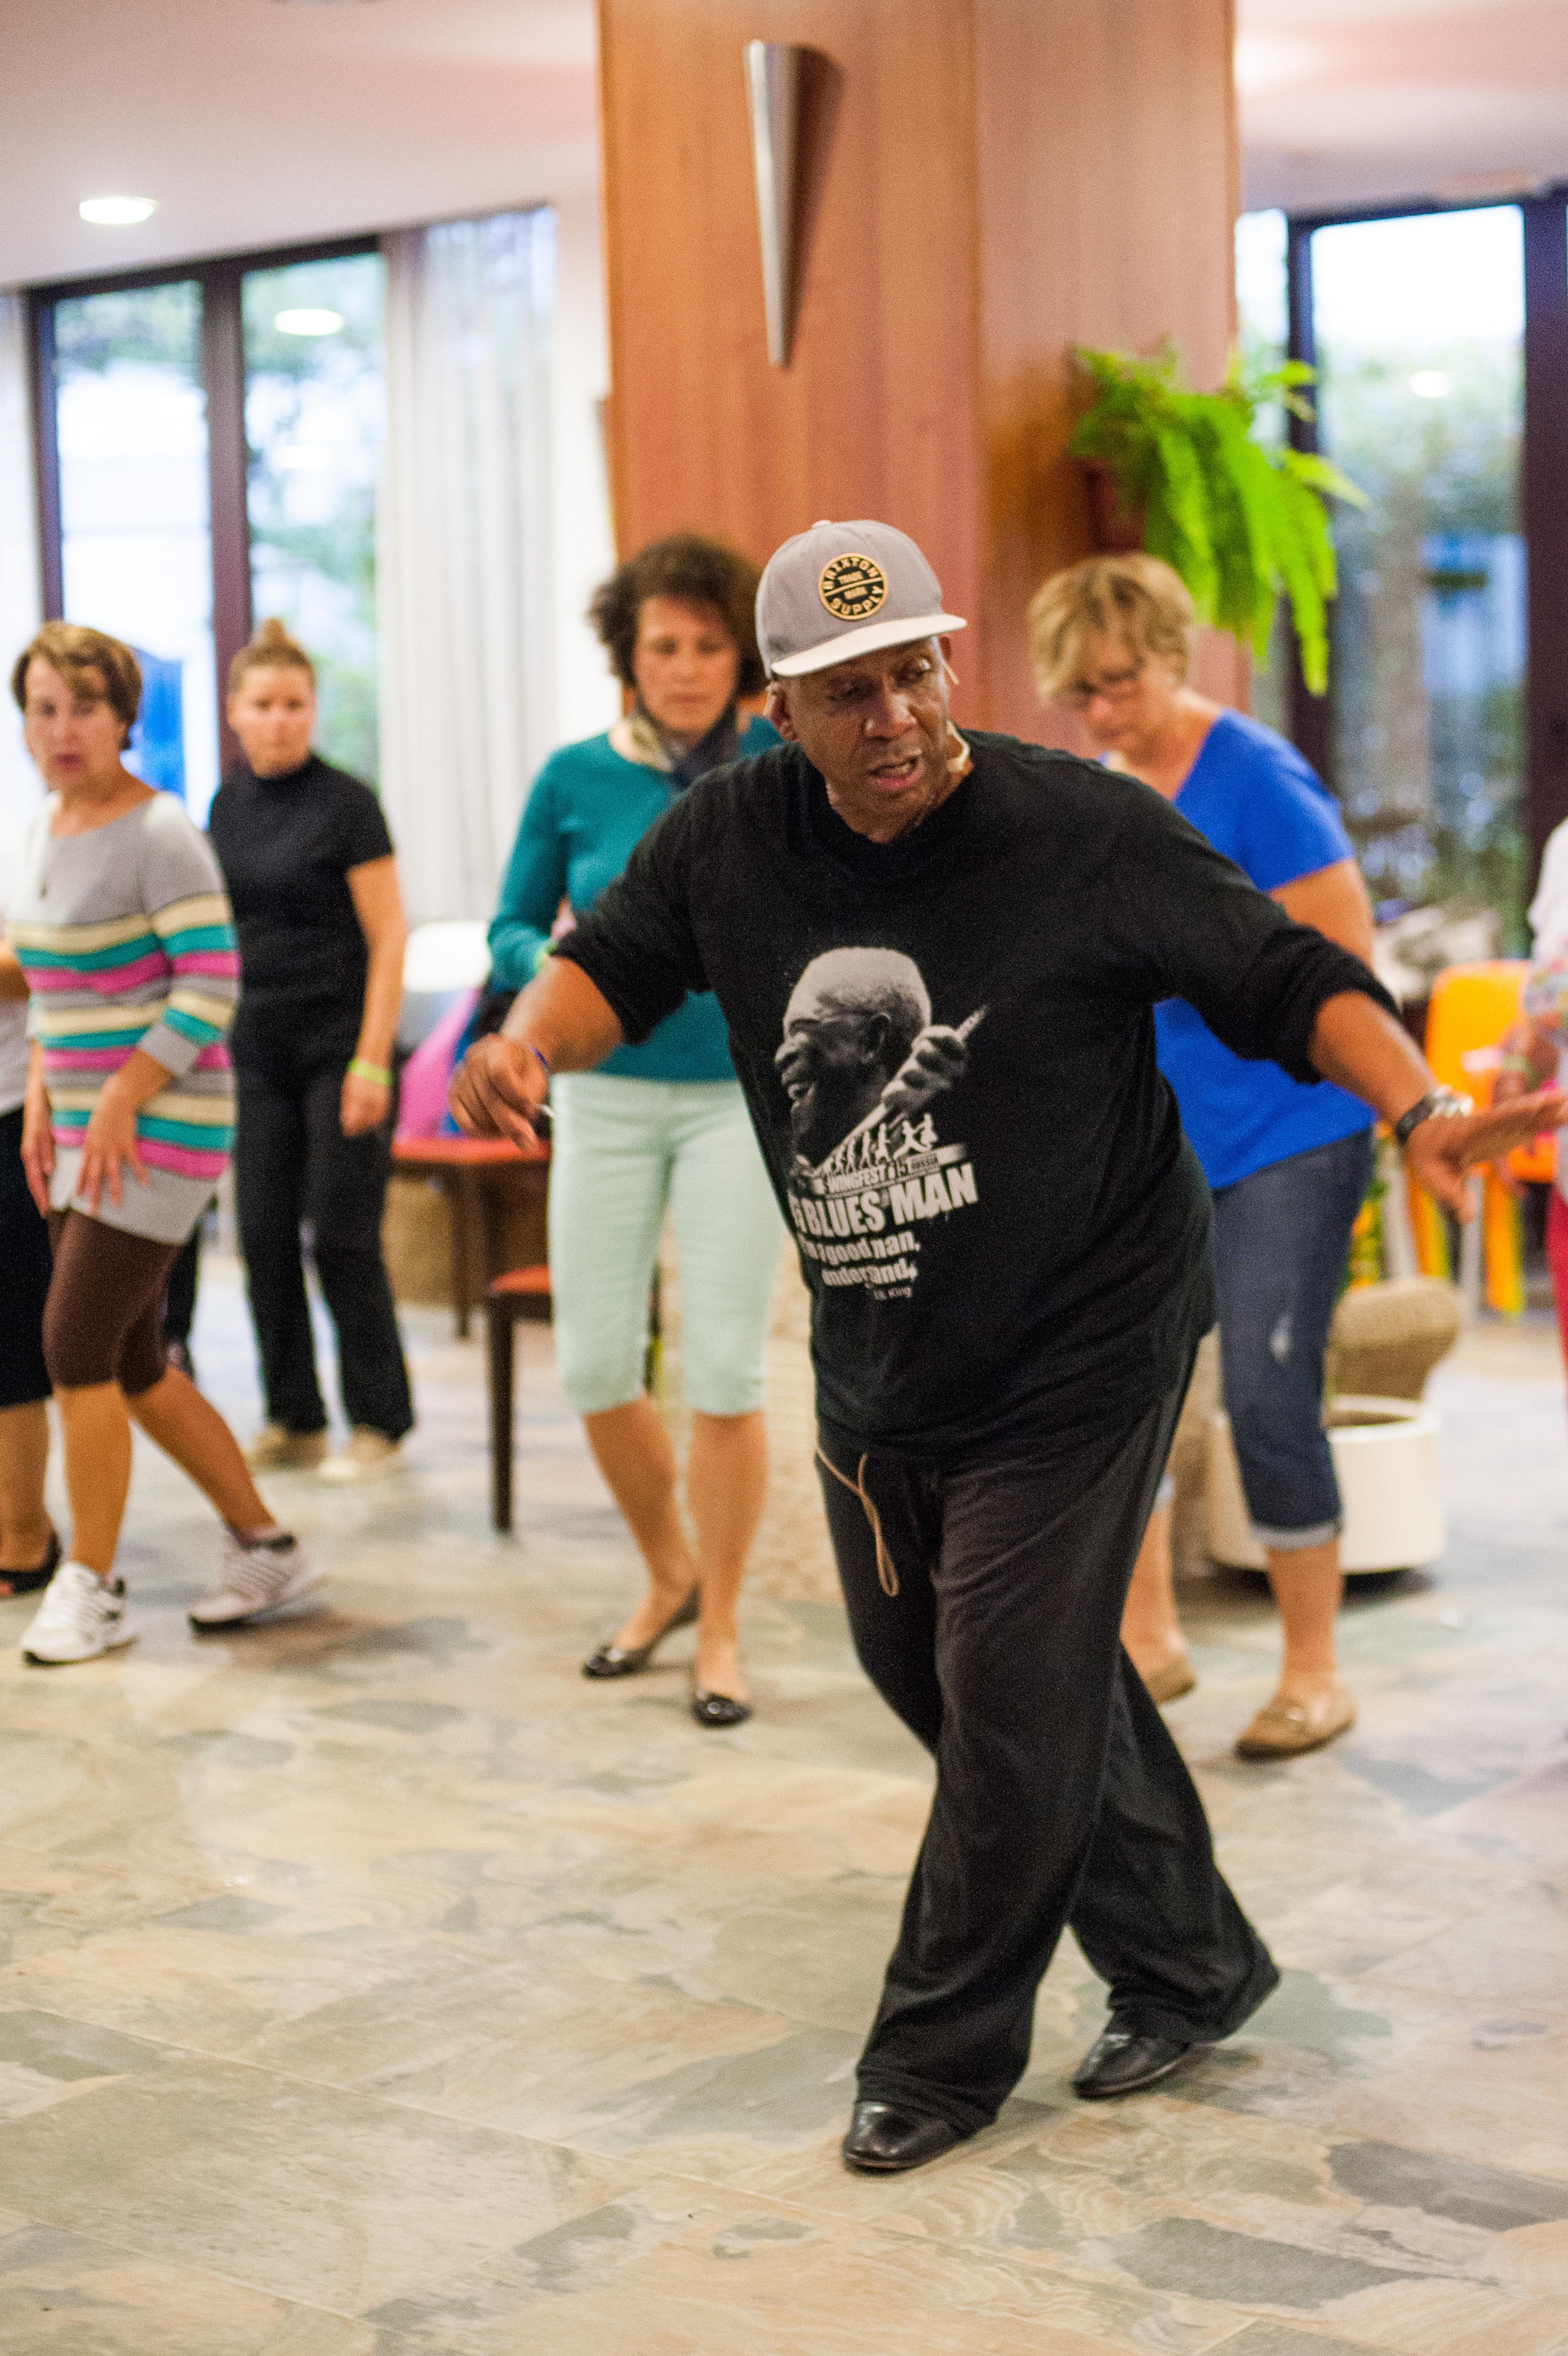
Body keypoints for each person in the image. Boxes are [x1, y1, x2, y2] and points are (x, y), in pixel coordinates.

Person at [451, 518, 1560, 2174]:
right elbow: (605, 961)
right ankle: (1190, 1962)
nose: (891, 715)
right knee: (949, 1676)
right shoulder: (728, 840)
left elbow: (1284, 971)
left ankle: (940, 2056)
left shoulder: (1081, 831)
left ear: (947, 663)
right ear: (781, 708)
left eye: (913, 671)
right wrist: (525, 1047)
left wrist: (1422, 1102)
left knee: (1008, 1677)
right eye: (847, 692)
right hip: (888, 1344)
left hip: (1090, 1325)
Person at [1029, 553, 1380, 1759]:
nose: (1104, 711)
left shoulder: (1258, 777)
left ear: (1175, 655)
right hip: (1166, 1138)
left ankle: (1314, 1672)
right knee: (1122, 1381)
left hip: (1293, 1126)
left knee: (1270, 1392)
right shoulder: (1099, 783)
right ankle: (1151, 1640)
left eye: (1120, 681)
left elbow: (1344, 960)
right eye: (1081, 693)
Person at [489, 534, 783, 1726]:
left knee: (722, 1364)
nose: (687, 666)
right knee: (597, 1360)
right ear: (629, 653)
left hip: (735, 1098)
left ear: (742, 654)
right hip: (601, 1092)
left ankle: (719, 1626)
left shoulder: (785, 763)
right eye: (664, 644)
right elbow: (511, 926)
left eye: (711, 644)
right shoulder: (573, 777)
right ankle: (666, 1565)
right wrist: (557, 970)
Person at [8, 623, 321, 1661]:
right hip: (88, 1124)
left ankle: (90, 1584)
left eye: (83, 707)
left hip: (163, 1123)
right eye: (42, 707)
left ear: (122, 716)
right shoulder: (50, 824)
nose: (61, 728)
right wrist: (53, 1087)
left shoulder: (161, 831)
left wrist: (120, 1096)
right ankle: (265, 1543)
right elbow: (60, 989)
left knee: (72, 1344)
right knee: (135, 1357)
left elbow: (209, 984)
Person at [208, 620, 413, 1485]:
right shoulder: (223, 806)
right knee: (260, 1236)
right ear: (235, 712)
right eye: (264, 705)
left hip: (342, 1047)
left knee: (341, 1236)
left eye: (296, 704)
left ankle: (379, 1419)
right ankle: (293, 1416)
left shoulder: (348, 802)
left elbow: (390, 937)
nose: (281, 719)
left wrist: (371, 1061)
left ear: (313, 709)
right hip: (255, 1051)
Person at [0, 809, 59, 1598]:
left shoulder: (29, 834)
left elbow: (44, 962)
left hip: (14, 1106)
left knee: (16, 1329)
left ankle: (25, 1530)